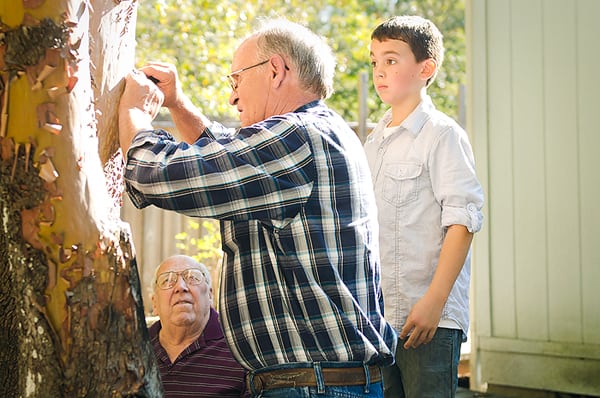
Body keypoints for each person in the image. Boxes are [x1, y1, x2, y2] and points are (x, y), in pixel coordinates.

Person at [119, 19, 397, 398]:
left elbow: (156, 174)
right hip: (316, 383)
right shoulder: (313, 134)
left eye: (236, 80)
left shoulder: (296, 136)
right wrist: (178, 105)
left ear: (276, 70)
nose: (232, 98)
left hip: (311, 387)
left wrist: (135, 113)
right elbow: (227, 157)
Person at [364, 16, 484, 398]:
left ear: (425, 68)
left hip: (429, 320)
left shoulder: (442, 134)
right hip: (380, 323)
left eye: (391, 60)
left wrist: (433, 303)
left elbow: (462, 222)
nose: (379, 71)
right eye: (374, 62)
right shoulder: (372, 142)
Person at [149, 255, 249, 397]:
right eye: (168, 280)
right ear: (154, 303)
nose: (181, 287)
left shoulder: (240, 347)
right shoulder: (134, 348)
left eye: (192, 278)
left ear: (210, 295)